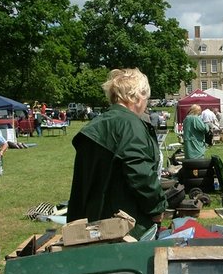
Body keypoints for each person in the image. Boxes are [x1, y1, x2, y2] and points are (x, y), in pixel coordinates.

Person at [68, 68, 167, 239]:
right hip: (124, 227)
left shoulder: (97, 124)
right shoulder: (130, 125)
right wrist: (157, 207)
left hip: (93, 224)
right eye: (147, 99)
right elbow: (140, 173)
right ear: (137, 95)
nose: (146, 105)